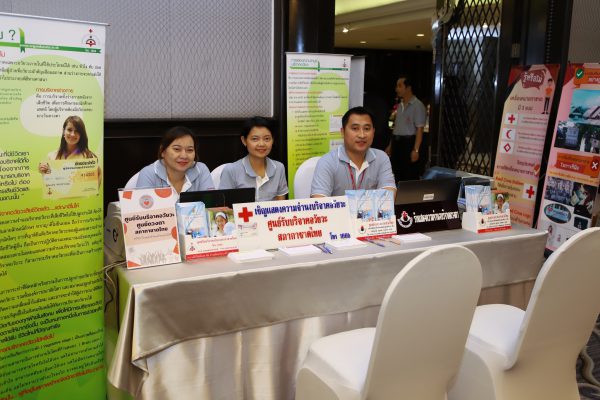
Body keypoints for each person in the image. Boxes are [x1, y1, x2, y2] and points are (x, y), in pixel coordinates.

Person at [311, 107, 396, 197]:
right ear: (343, 132)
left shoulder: (381, 158)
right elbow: (319, 200)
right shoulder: (327, 162)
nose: (362, 135)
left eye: (367, 129)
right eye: (355, 128)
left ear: (373, 132)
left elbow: (389, 194)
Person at [219, 117, 288, 201]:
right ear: (244, 141)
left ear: (272, 140)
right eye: (255, 139)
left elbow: (281, 205)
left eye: (267, 139)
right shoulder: (231, 170)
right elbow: (224, 206)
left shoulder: (279, 168)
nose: (261, 144)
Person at [136, 126, 214, 193]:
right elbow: (143, 205)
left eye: (189, 150)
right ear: (162, 151)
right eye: (177, 149)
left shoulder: (201, 169)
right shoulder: (148, 174)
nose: (184, 156)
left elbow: (211, 204)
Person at [386, 75, 427, 181]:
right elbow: (396, 127)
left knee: (409, 174)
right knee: (396, 173)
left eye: (400, 86)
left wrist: (416, 150)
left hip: (408, 143)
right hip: (397, 142)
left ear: (408, 88)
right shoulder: (400, 105)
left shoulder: (418, 105)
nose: (397, 89)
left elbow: (420, 130)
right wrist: (391, 145)